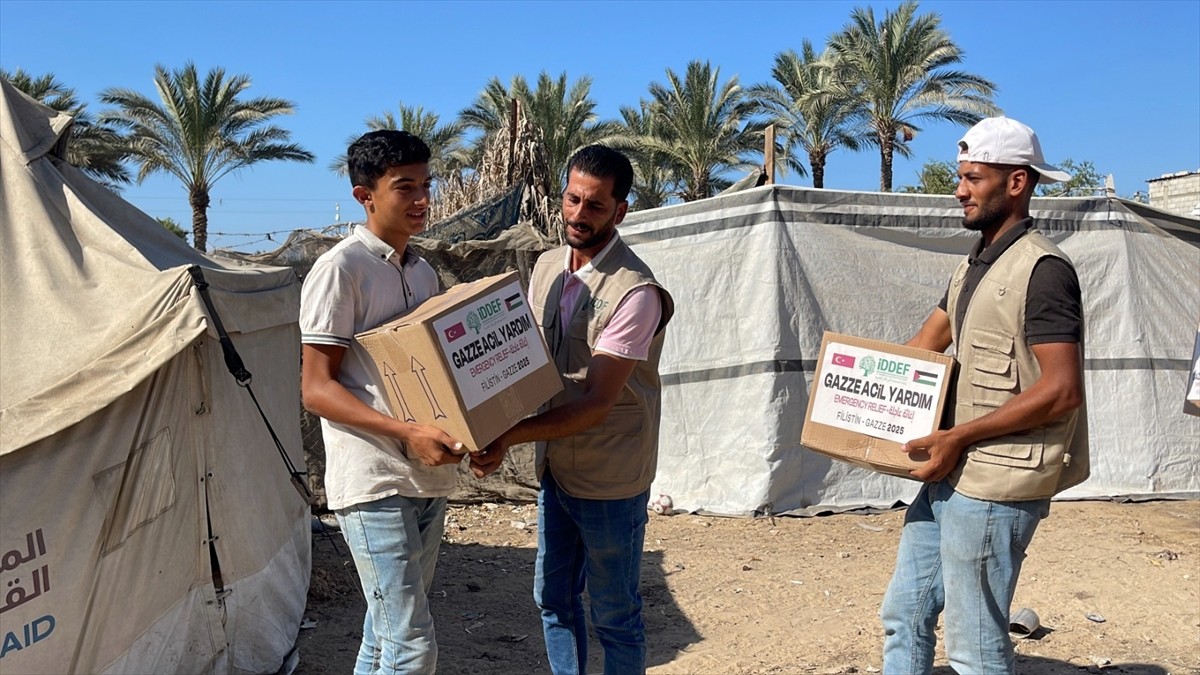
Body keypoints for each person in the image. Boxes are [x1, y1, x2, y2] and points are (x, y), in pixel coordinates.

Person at [881, 116, 1090, 674]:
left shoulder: (1043, 271)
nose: (959, 190)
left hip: (997, 482)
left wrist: (958, 436)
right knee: (905, 612)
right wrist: (849, 394)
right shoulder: (971, 266)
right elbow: (925, 344)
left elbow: (1062, 389)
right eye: (961, 177)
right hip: (953, 469)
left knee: (973, 644)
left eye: (973, 178)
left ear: (1016, 182)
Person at [469, 145, 674, 674]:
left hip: (611, 475)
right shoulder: (544, 268)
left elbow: (595, 403)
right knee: (554, 599)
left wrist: (505, 437)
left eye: (596, 206)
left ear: (621, 211)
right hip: (556, 468)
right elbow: (520, 364)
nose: (579, 215)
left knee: (615, 615)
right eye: (572, 199)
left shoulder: (636, 292)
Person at [300, 130, 465, 675]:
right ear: (363, 195)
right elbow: (316, 388)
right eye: (404, 188)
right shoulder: (339, 270)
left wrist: (475, 434)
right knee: (411, 644)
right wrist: (405, 432)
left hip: (427, 475)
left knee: (383, 634)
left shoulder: (423, 272)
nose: (421, 200)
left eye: (426, 185)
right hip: (373, 476)